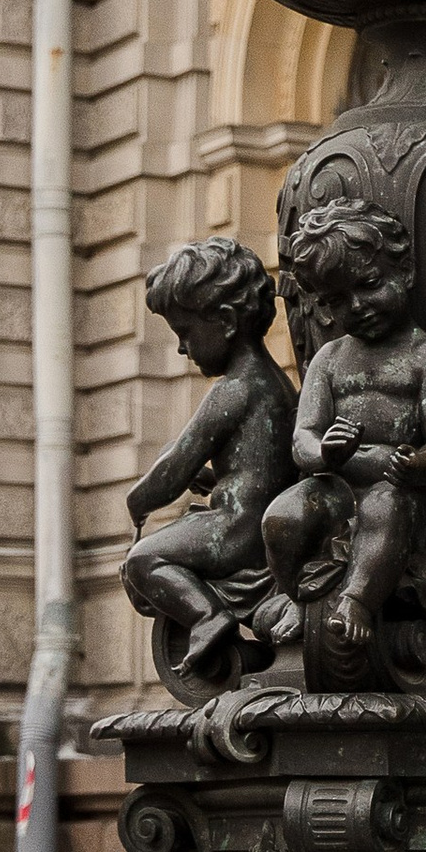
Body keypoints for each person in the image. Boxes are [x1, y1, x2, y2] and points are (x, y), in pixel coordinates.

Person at [259, 196, 426, 662]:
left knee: (386, 509)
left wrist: (418, 460)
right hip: (335, 483)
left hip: (390, 483)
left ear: (405, 273)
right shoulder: (329, 359)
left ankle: (357, 602)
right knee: (282, 518)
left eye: (369, 285)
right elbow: (302, 439)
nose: (357, 306)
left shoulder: (423, 355)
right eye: (335, 300)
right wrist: (327, 454)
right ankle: (297, 596)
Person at [121, 238, 297, 678]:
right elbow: (260, 463)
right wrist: (215, 476)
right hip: (252, 525)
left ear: (223, 321)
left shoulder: (233, 389)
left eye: (185, 333)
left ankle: (207, 617)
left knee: (144, 560)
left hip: (238, 533)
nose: (183, 349)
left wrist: (140, 499)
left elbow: (175, 464)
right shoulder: (273, 382)